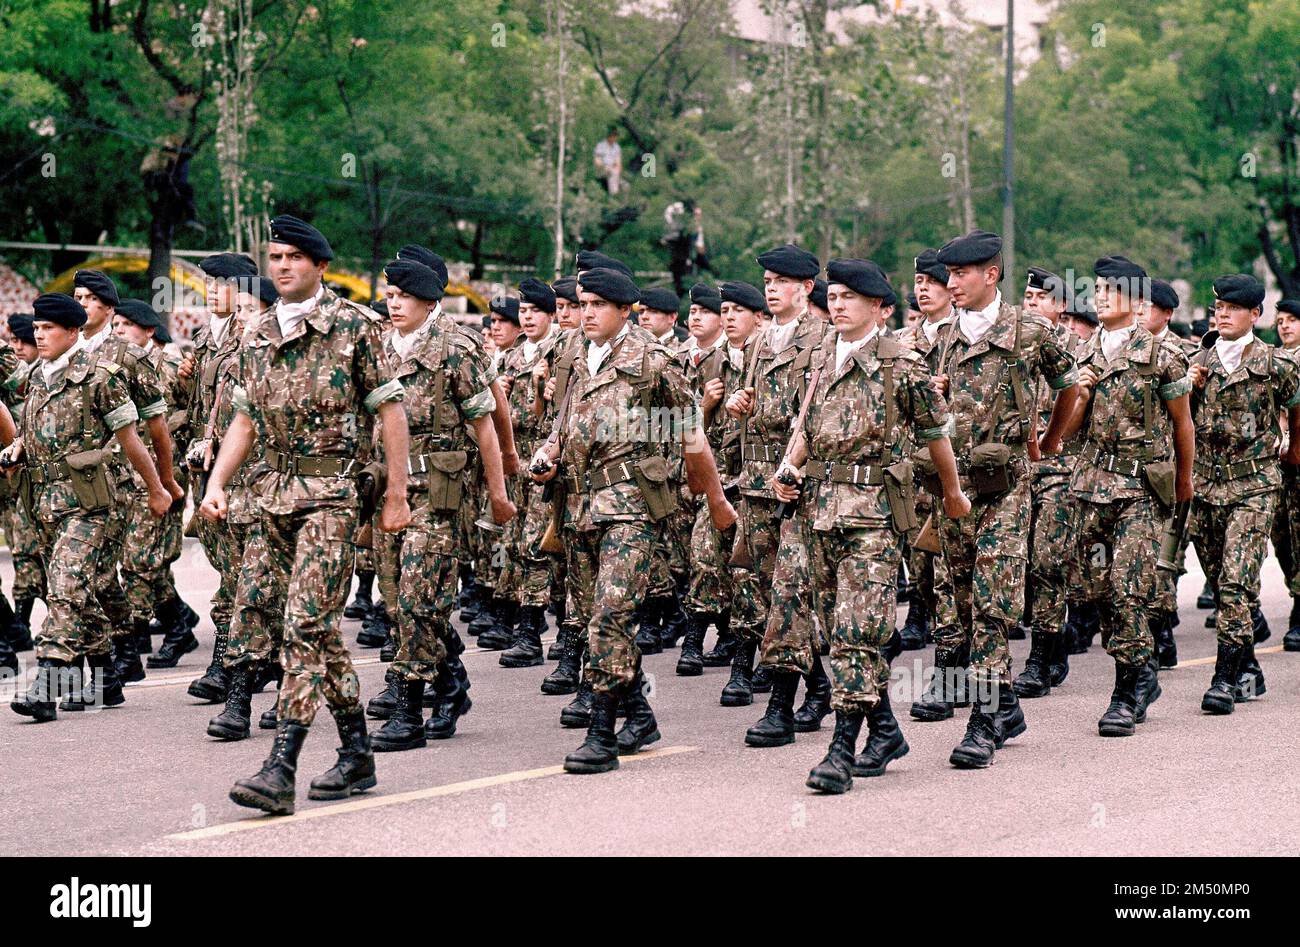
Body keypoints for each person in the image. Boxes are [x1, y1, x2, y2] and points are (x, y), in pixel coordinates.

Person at [199, 214, 412, 815]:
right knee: (304, 628)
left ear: (321, 267)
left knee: (302, 626)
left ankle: (281, 765)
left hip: (333, 496)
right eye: (275, 257)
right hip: (271, 496)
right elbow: (244, 419)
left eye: (295, 257)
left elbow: (391, 414)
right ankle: (357, 754)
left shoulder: (356, 328)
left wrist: (396, 496)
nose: (283, 266)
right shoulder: (256, 332)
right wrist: (217, 483)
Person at [770, 258, 969, 793]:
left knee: (860, 631)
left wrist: (951, 494)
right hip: (819, 511)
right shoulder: (815, 359)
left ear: (880, 309)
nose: (837, 305)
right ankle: (884, 731)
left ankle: (841, 750)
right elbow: (808, 427)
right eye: (832, 296)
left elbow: (936, 434)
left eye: (849, 298)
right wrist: (788, 470)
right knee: (840, 633)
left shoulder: (902, 365)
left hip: (875, 517)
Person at [529, 267, 737, 774]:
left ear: (626, 311)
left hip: (630, 507)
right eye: (583, 303)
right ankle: (639, 715)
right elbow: (567, 418)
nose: (587, 314)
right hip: (578, 506)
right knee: (592, 615)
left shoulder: (653, 361)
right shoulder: (577, 355)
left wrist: (713, 499)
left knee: (610, 616)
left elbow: (690, 435)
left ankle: (601, 733)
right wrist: (549, 451)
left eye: (599, 305)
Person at [915, 230, 1079, 769]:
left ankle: (984, 722)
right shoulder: (941, 336)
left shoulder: (1030, 331)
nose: (951, 284)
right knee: (957, 599)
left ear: (990, 274)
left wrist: (1051, 440)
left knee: (992, 602)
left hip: (1006, 488)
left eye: (961, 274)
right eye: (948, 275)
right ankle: (1007, 706)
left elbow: (1070, 386)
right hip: (953, 489)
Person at [367, 258, 514, 751]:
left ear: (429, 302)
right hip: (391, 490)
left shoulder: (456, 347)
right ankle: (450, 682)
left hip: (440, 496)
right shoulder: (380, 345)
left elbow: (485, 427)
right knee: (396, 602)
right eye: (389, 296)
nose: (393, 304)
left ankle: (408, 709)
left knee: (417, 597)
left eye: (402, 297)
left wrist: (498, 494)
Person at [6, 293, 171, 721]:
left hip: (92, 503)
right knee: (85, 589)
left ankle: (48, 681)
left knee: (65, 584)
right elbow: (37, 429)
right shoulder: (40, 375)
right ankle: (105, 676)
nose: (39, 335)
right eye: (37, 328)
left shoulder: (100, 375)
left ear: (73, 331)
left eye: (48, 329)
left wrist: (157, 488)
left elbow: (132, 437)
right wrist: (19, 448)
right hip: (45, 502)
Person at [1057, 256, 1194, 735]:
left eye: (1110, 291)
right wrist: (1082, 395)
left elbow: (1183, 423)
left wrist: (1184, 482)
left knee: (1126, 585)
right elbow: (1067, 436)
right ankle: (1142, 669)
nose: (1099, 297)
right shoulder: (1083, 353)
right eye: (1096, 289)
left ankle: (1129, 685)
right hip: (1092, 487)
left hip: (1140, 489)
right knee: (1094, 589)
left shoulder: (1160, 355)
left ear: (1137, 302)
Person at [1187, 274, 1300, 713]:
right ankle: (1249, 666)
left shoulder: (1277, 365)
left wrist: (1286, 437)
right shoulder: (1199, 363)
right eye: (1219, 307)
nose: (1223, 315)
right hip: (1207, 487)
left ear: (1255, 315)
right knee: (1219, 581)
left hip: (1254, 485)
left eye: (1233, 309)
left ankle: (1225, 677)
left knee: (1237, 582)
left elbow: (1293, 405)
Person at [71, 270, 187, 676]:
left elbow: (157, 424)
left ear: (107, 306)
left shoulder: (129, 355)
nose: (81, 303)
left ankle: (122, 651)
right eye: (77, 296)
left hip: (124, 479)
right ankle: (121, 651)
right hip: (77, 482)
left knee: (117, 567)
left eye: (88, 298)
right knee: (96, 573)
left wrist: (165, 482)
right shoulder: (70, 351)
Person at [184, 253, 273, 704]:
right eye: (210, 283)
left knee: (247, 575)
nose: (215, 291)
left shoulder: (255, 333)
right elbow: (198, 407)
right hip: (212, 470)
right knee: (228, 568)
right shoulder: (205, 340)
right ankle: (254, 659)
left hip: (251, 472)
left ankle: (230, 665)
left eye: (224, 283)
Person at [1012, 266, 1090, 697]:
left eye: (1040, 296)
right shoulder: (1015, 347)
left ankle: (1041, 656)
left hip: (1062, 470)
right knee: (1019, 561)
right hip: (1020, 471)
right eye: (1026, 295)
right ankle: (1052, 641)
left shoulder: (1080, 350)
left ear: (1061, 306)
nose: (1030, 302)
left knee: (1047, 561)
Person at [1, 314, 43, 658]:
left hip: (18, 473)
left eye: (23, 340)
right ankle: (15, 630)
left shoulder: (31, 377)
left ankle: (17, 629)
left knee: (26, 549)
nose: (17, 347)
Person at [1273, 298, 1300, 651]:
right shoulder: (1272, 361)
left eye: (1293, 320)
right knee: (1282, 538)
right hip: (1277, 463)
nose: (1285, 326)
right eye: (1280, 320)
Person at [594, 129, 622, 195]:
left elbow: (618, 161)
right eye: (613, 136)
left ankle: (615, 193)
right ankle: (613, 193)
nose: (614, 138)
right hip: (603, 166)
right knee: (611, 173)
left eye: (615, 137)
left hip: (612, 167)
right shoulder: (601, 146)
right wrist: (603, 166)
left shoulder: (616, 147)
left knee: (615, 172)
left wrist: (618, 168)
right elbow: (597, 160)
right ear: (609, 136)